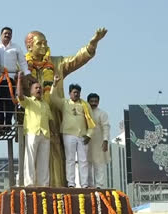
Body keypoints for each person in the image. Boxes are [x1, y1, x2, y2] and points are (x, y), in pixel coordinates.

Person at [24, 28, 107, 187]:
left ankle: (58, 185)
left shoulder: (57, 63)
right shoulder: (21, 64)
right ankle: (31, 186)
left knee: (56, 150)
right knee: (30, 152)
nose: (44, 46)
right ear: (29, 47)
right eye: (39, 43)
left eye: (45, 43)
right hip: (32, 115)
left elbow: (78, 59)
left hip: (54, 112)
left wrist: (93, 43)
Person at [51, 75, 95, 188]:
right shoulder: (64, 103)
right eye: (74, 92)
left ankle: (84, 184)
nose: (76, 94)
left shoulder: (85, 105)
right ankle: (71, 183)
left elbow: (91, 121)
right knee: (70, 160)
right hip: (68, 134)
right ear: (70, 93)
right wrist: (54, 84)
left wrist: (89, 135)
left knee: (83, 160)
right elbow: (52, 97)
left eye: (78, 93)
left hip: (82, 135)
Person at [16, 72, 52, 187]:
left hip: (45, 134)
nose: (39, 90)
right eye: (36, 88)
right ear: (31, 91)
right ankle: (29, 183)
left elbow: (50, 120)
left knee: (44, 161)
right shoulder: (29, 101)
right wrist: (19, 81)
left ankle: (43, 184)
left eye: (40, 88)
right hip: (32, 132)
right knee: (30, 159)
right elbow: (19, 95)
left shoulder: (45, 105)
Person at [0, 27, 30, 125]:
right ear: (1, 35)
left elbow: (22, 62)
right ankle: (1, 124)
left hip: (11, 79)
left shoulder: (16, 47)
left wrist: (27, 74)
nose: (7, 35)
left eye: (9, 33)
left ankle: (8, 122)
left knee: (10, 102)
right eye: (5, 33)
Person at [87, 93, 111, 188]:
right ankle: (89, 184)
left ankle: (99, 185)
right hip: (87, 142)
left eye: (95, 101)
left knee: (99, 163)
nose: (93, 103)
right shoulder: (85, 112)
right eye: (91, 101)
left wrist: (105, 140)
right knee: (87, 164)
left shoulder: (102, 113)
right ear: (88, 102)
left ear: (98, 102)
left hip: (99, 142)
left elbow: (106, 127)